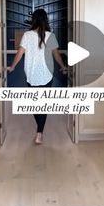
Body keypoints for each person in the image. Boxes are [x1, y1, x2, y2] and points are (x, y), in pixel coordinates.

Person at [9, 8, 67, 144]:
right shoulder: (50, 35)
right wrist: (63, 66)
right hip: (47, 74)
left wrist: (12, 67)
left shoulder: (27, 35)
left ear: (33, 20)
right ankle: (40, 132)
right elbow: (56, 54)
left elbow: (20, 53)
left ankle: (39, 131)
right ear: (46, 20)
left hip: (31, 74)